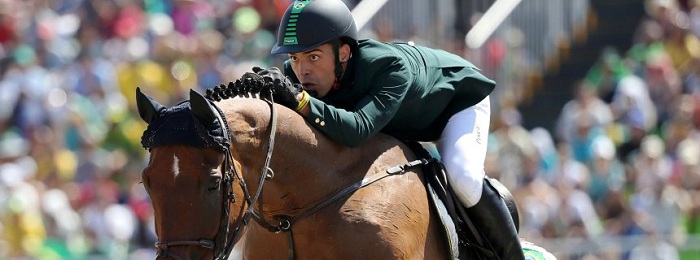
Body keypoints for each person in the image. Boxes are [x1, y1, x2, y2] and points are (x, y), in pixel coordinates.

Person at [249, 0, 524, 258]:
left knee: (463, 177)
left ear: (343, 53)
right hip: (405, 121)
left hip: (457, 105)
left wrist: (300, 101)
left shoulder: (389, 67)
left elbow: (356, 130)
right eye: (295, 58)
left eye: (313, 57)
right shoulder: (298, 73)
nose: (302, 70)